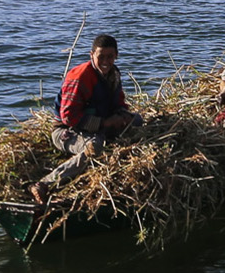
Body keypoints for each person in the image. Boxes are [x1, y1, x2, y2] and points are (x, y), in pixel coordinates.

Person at [29, 34, 143, 204]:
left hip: (97, 125)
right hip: (67, 131)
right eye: (100, 57)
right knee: (95, 146)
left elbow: (119, 102)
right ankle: (45, 183)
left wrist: (122, 115)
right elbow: (68, 117)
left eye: (110, 57)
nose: (105, 61)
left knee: (137, 120)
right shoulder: (80, 77)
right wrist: (105, 123)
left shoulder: (114, 74)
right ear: (91, 55)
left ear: (116, 56)